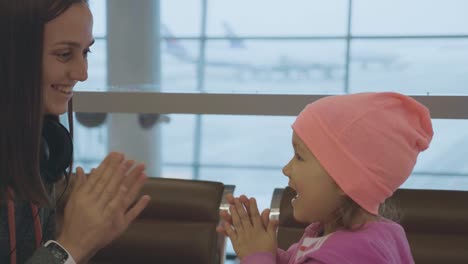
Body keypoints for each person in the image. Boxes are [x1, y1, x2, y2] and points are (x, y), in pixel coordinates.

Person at [0, 1, 150, 263]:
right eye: (64, 54)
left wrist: (88, 239)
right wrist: (71, 245)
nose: (82, 73)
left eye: (85, 53)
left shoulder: (40, 154)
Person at [217, 92, 433, 263]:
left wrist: (257, 257)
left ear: (345, 179)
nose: (286, 169)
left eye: (299, 157)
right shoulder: (372, 235)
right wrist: (266, 252)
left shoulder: (349, 256)